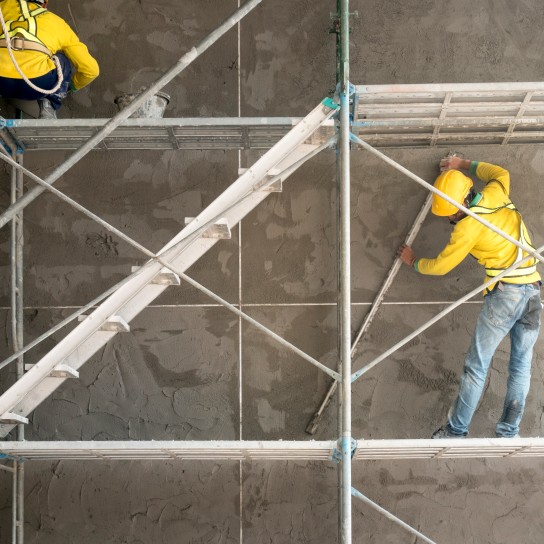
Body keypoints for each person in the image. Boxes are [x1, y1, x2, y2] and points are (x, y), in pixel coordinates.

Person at [397, 156, 542, 439]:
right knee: (521, 366)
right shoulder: (495, 192)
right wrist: (461, 163)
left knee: (477, 367)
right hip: (533, 291)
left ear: (460, 207)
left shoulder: (467, 228)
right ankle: (509, 431)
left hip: (505, 296)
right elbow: (499, 171)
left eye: (450, 214)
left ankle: (456, 430)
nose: (449, 219)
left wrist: (414, 261)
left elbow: (441, 266)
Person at [0, 0, 99, 118]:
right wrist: (68, 87)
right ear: (44, 4)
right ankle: (49, 105)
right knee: (62, 60)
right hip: (40, 84)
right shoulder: (56, 22)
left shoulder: (2, 9)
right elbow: (91, 70)